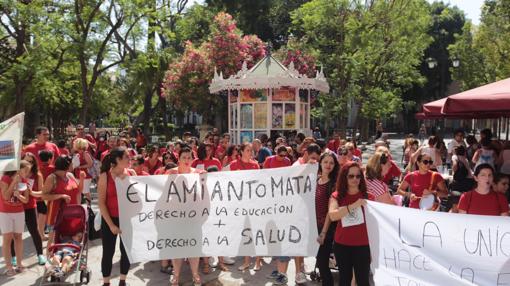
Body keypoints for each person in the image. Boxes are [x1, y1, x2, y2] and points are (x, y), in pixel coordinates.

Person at [165, 147, 205, 286]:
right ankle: (175, 275)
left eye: (189, 157)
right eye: (184, 157)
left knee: (193, 247)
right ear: (179, 159)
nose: (187, 160)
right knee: (177, 248)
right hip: (176, 218)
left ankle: (195, 274)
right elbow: (162, 192)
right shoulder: (171, 173)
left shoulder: (199, 173)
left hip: (194, 218)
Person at [98, 147, 137, 286]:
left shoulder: (131, 173)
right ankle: (106, 282)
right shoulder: (104, 177)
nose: (130, 159)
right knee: (108, 252)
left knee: (126, 251)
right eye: (127, 157)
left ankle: (123, 280)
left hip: (127, 219)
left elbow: (138, 198)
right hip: (110, 219)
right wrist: (111, 225)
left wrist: (127, 181)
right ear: (118, 160)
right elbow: (101, 203)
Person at [328, 162, 371, 286]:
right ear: (344, 177)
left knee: (363, 281)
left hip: (363, 246)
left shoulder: (368, 197)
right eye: (351, 176)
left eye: (358, 176)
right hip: (342, 245)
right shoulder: (337, 196)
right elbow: (333, 215)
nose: (355, 179)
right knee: (344, 280)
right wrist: (353, 205)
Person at [229, 143, 263, 272]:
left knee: (257, 231)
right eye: (248, 150)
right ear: (241, 152)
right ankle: (247, 261)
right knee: (245, 233)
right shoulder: (233, 165)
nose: (251, 153)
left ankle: (258, 262)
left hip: (254, 202)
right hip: (240, 203)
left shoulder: (255, 165)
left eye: (251, 151)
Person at [10, 153, 46, 266]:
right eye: (26, 161)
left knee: (34, 231)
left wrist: (32, 192)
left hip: (29, 206)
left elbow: (42, 193)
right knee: (13, 233)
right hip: (15, 207)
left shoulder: (37, 175)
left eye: (31, 161)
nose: (28, 164)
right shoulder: (15, 174)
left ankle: (40, 254)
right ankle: (13, 257)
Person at [42, 155, 85, 247]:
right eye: (71, 163)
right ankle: (50, 258)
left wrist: (81, 179)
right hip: (57, 214)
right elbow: (44, 195)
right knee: (53, 240)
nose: (73, 165)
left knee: (72, 238)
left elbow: (79, 191)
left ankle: (67, 257)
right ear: (67, 165)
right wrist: (61, 196)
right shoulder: (52, 178)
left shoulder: (70, 175)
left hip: (72, 213)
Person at [0, 160, 31, 276]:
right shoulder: (5, 179)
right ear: (18, 169)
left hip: (19, 212)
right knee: (7, 239)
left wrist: (19, 196)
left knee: (18, 237)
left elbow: (26, 200)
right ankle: (9, 267)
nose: (28, 173)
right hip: (5, 212)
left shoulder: (24, 181)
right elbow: (6, 196)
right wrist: (13, 182)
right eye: (26, 170)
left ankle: (19, 264)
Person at [315, 152, 339, 286]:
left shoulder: (333, 185)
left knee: (323, 263)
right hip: (314, 227)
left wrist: (323, 232)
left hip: (327, 229)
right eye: (325, 162)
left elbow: (330, 212)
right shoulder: (315, 180)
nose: (328, 165)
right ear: (320, 163)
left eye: (331, 162)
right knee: (319, 262)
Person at [449, 145, 475, 213]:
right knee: (467, 199)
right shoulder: (465, 158)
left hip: (461, 182)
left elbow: (454, 165)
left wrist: (455, 172)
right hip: (470, 181)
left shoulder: (455, 157)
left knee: (456, 200)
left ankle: (455, 211)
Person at [38, 150, 55, 240]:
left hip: (38, 194)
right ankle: (41, 235)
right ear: (49, 159)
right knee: (43, 215)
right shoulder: (53, 168)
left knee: (41, 214)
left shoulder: (38, 168)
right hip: (48, 195)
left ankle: (41, 233)